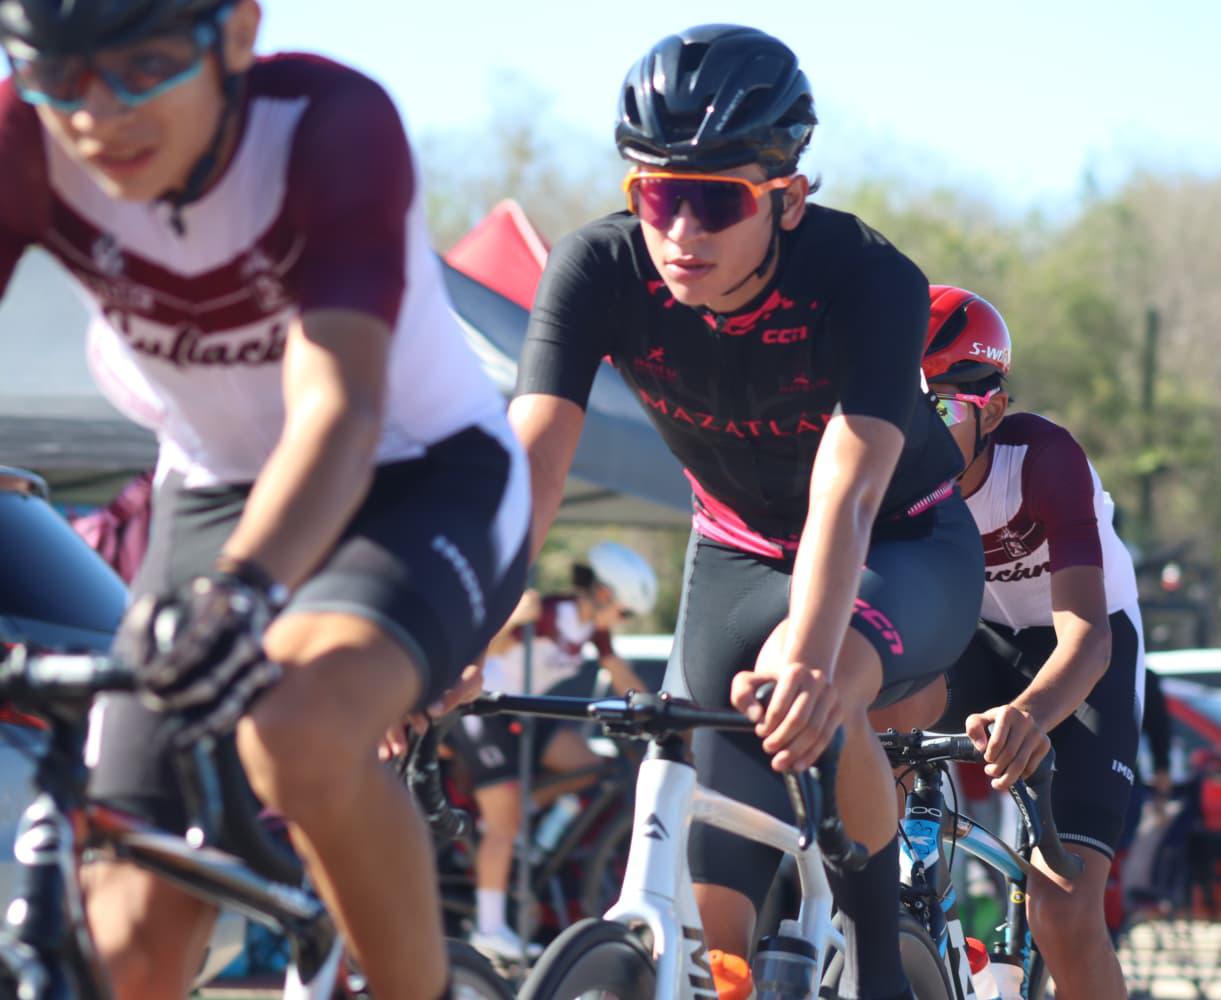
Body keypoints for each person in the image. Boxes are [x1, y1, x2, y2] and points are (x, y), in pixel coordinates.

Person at [0, 3, 530, 998]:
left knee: (296, 730)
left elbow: (341, 405)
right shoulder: (21, 139)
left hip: (413, 475)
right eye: (58, 79)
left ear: (237, 34)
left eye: (144, 67)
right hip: (212, 488)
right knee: (130, 942)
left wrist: (244, 597)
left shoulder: (328, 124)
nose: (98, 117)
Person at [508, 24, 983, 1000]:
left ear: (788, 197)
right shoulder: (596, 268)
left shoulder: (866, 279)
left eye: (715, 201)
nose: (680, 232)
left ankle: (881, 951)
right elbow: (530, 468)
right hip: (737, 549)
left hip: (899, 542)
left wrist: (812, 657)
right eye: (655, 194)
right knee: (721, 924)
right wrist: (450, 631)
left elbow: (847, 492)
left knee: (819, 683)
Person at [904, 285, 1143, 1000]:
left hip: (1081, 653)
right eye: (903, 408)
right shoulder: (892, 474)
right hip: (977, 641)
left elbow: (1086, 637)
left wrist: (1033, 717)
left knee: (1063, 912)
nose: (915, 431)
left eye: (940, 408)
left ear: (993, 409)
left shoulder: (1041, 459)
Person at [449, 541, 656, 960]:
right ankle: (489, 927)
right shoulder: (543, 612)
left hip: (525, 713)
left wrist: (654, 711)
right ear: (604, 595)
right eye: (624, 613)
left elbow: (619, 673)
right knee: (501, 825)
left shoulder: (592, 630)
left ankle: (528, 819)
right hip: (484, 707)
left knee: (591, 765)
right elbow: (493, 645)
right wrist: (511, 621)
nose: (622, 621)